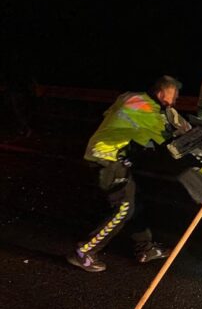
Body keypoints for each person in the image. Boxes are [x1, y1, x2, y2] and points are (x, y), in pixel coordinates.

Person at [67, 75, 187, 272]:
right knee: (124, 208)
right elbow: (170, 142)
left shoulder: (132, 97)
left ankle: (145, 248)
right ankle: (85, 251)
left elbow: (123, 123)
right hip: (106, 158)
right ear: (161, 93)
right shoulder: (149, 111)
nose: (176, 99)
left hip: (109, 155)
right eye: (174, 94)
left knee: (134, 203)